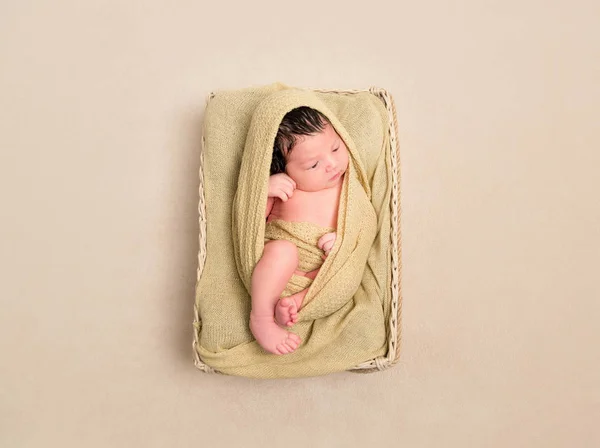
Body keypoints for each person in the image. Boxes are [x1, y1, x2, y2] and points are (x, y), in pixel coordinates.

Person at [249, 107, 350, 355]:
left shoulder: (349, 186)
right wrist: (263, 189)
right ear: (284, 168)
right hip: (280, 266)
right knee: (283, 252)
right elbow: (249, 222)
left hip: (319, 272)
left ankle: (294, 303)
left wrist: (342, 243)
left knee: (343, 274)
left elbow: (363, 226)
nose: (331, 164)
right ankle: (261, 317)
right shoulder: (285, 185)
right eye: (313, 164)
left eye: (335, 148)